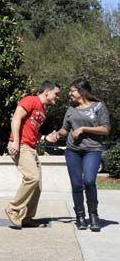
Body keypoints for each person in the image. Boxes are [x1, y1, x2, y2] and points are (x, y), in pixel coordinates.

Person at [46, 78, 110, 232]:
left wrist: (84, 129)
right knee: (76, 184)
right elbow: (65, 129)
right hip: (73, 150)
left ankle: (93, 215)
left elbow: (106, 129)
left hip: (92, 150)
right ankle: (80, 216)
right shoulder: (71, 109)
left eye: (72, 91)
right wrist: (55, 135)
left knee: (89, 181)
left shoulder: (98, 107)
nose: (70, 94)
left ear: (81, 91)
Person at [5, 81, 60, 228]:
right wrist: (16, 141)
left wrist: (45, 138)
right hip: (21, 146)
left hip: (31, 148)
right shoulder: (30, 100)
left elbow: (33, 131)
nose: (57, 97)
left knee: (38, 185)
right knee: (32, 177)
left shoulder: (43, 110)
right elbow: (16, 118)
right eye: (56, 93)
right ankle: (13, 209)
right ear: (47, 92)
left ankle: (27, 217)